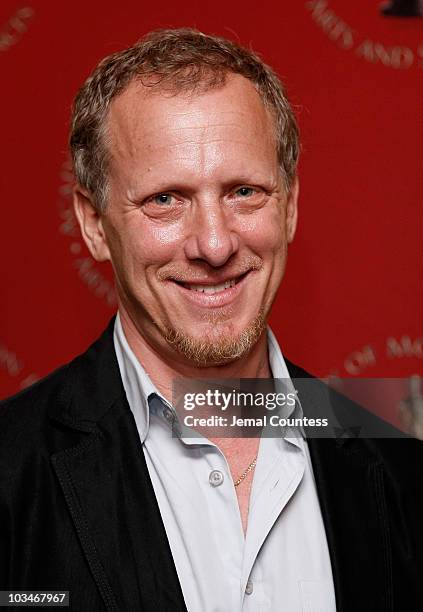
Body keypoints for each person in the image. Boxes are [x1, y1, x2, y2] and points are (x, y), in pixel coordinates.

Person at [1, 28, 422, 612]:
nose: (215, 243)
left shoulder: (395, 457)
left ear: (291, 205)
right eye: (165, 200)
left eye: (244, 191)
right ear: (94, 224)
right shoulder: (11, 472)